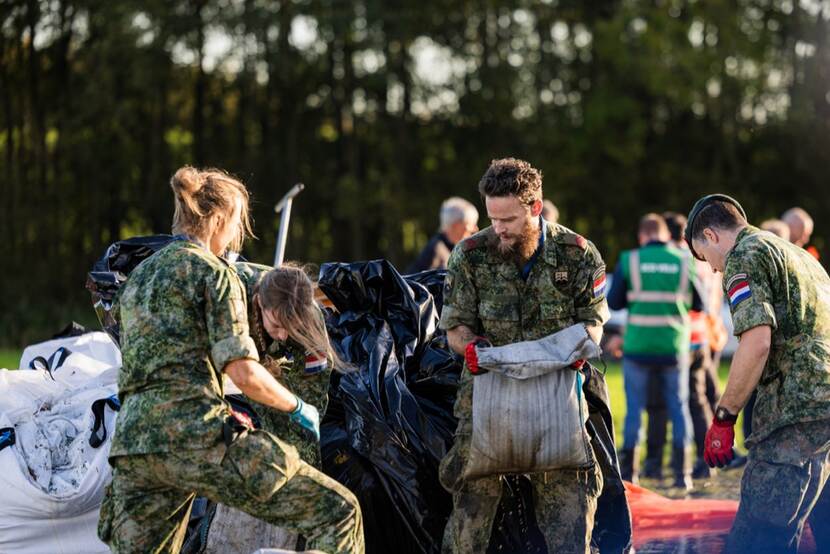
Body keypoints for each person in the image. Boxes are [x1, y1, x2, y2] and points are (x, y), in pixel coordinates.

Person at [98, 167, 364, 554]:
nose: (236, 235)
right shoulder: (216, 275)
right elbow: (242, 370)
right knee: (340, 512)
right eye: (237, 223)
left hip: (135, 447)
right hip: (195, 436)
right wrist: (297, 406)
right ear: (218, 219)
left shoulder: (139, 276)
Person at [439, 158, 608, 553]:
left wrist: (573, 349)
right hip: (487, 399)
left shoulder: (577, 255)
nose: (499, 229)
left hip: (556, 400)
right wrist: (472, 349)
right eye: (492, 218)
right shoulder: (470, 254)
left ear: (535, 207)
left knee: (570, 510)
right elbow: (454, 329)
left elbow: (593, 324)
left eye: (509, 220)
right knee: (469, 514)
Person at [687, 194, 830, 553]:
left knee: (758, 538)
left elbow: (757, 342)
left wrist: (723, 417)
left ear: (712, 235)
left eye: (707, 258)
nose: (715, 270)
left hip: (793, 413)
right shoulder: (796, 254)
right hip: (822, 406)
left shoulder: (744, 256)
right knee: (819, 527)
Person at [607, 213, 702, 490]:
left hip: (637, 347)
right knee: (679, 407)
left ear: (642, 236)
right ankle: (682, 474)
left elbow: (614, 302)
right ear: (665, 234)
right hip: (674, 347)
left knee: (635, 410)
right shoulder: (685, 261)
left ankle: (630, 475)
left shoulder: (630, 260)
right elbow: (699, 304)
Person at [235, 262, 342, 468]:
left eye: (290, 326)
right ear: (260, 303)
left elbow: (311, 397)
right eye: (276, 325)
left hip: (268, 363)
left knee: (299, 432)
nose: (283, 335)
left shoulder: (310, 323)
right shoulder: (233, 297)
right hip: (226, 360)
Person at [641, 212, 723, 481]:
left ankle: (656, 462)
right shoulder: (699, 257)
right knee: (698, 401)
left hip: (672, 340)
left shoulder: (670, 259)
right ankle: (704, 458)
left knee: (659, 404)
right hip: (701, 337)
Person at [406, 197, 479, 273]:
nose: (475, 229)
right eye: (471, 224)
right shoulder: (437, 250)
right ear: (456, 225)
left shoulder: (454, 247)